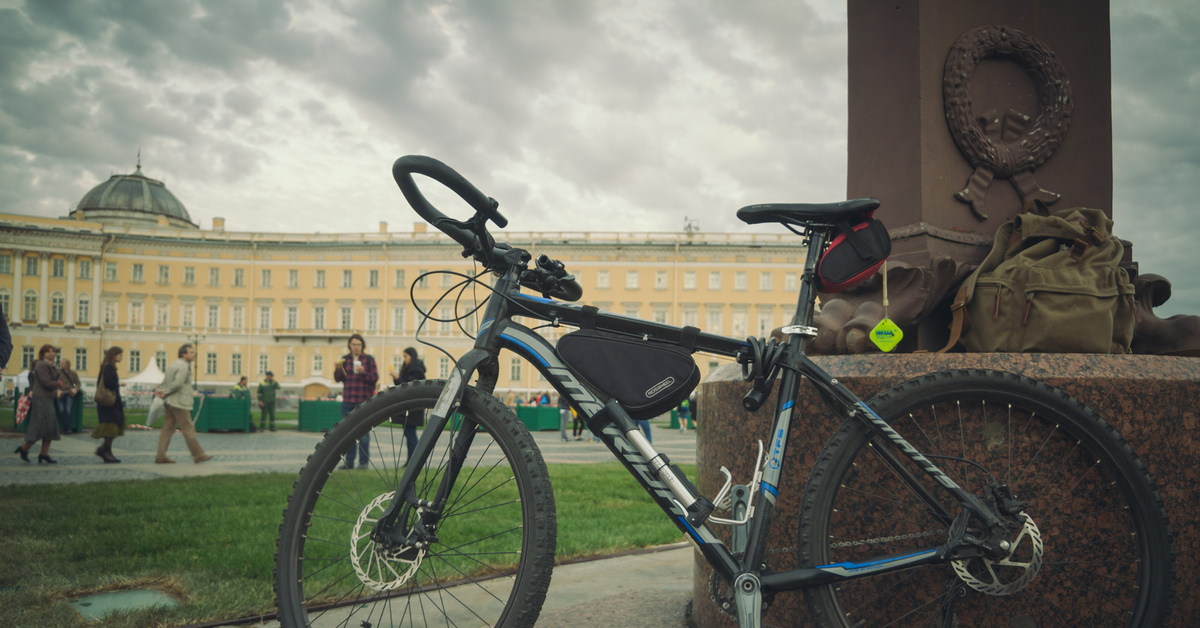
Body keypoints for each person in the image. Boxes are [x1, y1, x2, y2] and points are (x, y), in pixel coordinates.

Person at [154, 344, 212, 464]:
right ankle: (199, 454)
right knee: (188, 427)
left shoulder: (173, 364)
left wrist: (164, 393)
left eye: (193, 352)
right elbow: (178, 383)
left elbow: (165, 381)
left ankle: (160, 455)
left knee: (167, 428)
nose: (194, 354)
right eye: (191, 352)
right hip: (179, 402)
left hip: (170, 401)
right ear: (183, 354)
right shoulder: (184, 365)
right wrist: (166, 392)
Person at [334, 333, 378, 470]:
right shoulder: (345, 360)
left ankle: (363, 462)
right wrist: (337, 368)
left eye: (358, 344)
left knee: (364, 433)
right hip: (348, 400)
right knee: (348, 434)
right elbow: (338, 378)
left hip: (364, 401)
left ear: (362, 346)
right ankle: (349, 462)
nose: (356, 347)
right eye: (353, 344)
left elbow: (374, 378)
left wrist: (363, 372)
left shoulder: (369, 360)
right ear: (350, 345)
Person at [15, 344, 62, 464]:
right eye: (48, 351)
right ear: (42, 353)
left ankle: (44, 454)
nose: (51, 353)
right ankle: (24, 448)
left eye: (53, 351)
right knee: (40, 426)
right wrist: (58, 384)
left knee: (50, 427)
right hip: (41, 399)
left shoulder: (50, 365)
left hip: (48, 398)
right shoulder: (41, 364)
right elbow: (46, 382)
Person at [389, 347, 425, 463]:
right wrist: (397, 379)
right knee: (409, 432)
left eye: (406, 356)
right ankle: (412, 460)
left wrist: (397, 378)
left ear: (412, 357)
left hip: (414, 407)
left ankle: (414, 460)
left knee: (410, 433)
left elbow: (409, 387)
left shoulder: (417, 371)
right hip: (410, 407)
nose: (404, 359)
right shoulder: (410, 369)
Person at [92, 347, 125, 463]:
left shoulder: (106, 366)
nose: (121, 357)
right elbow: (109, 382)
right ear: (113, 356)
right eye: (120, 355)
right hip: (109, 402)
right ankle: (107, 452)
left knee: (111, 429)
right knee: (110, 429)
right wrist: (118, 384)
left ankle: (104, 450)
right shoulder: (109, 367)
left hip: (106, 403)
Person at [56, 358, 81, 434]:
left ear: (67, 364)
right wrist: (57, 390)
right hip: (61, 393)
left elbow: (78, 383)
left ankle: (67, 428)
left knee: (68, 410)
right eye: (61, 363)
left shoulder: (73, 373)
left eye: (63, 363)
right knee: (61, 410)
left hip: (69, 393)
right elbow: (53, 381)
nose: (61, 364)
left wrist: (76, 389)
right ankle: (65, 428)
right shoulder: (58, 372)